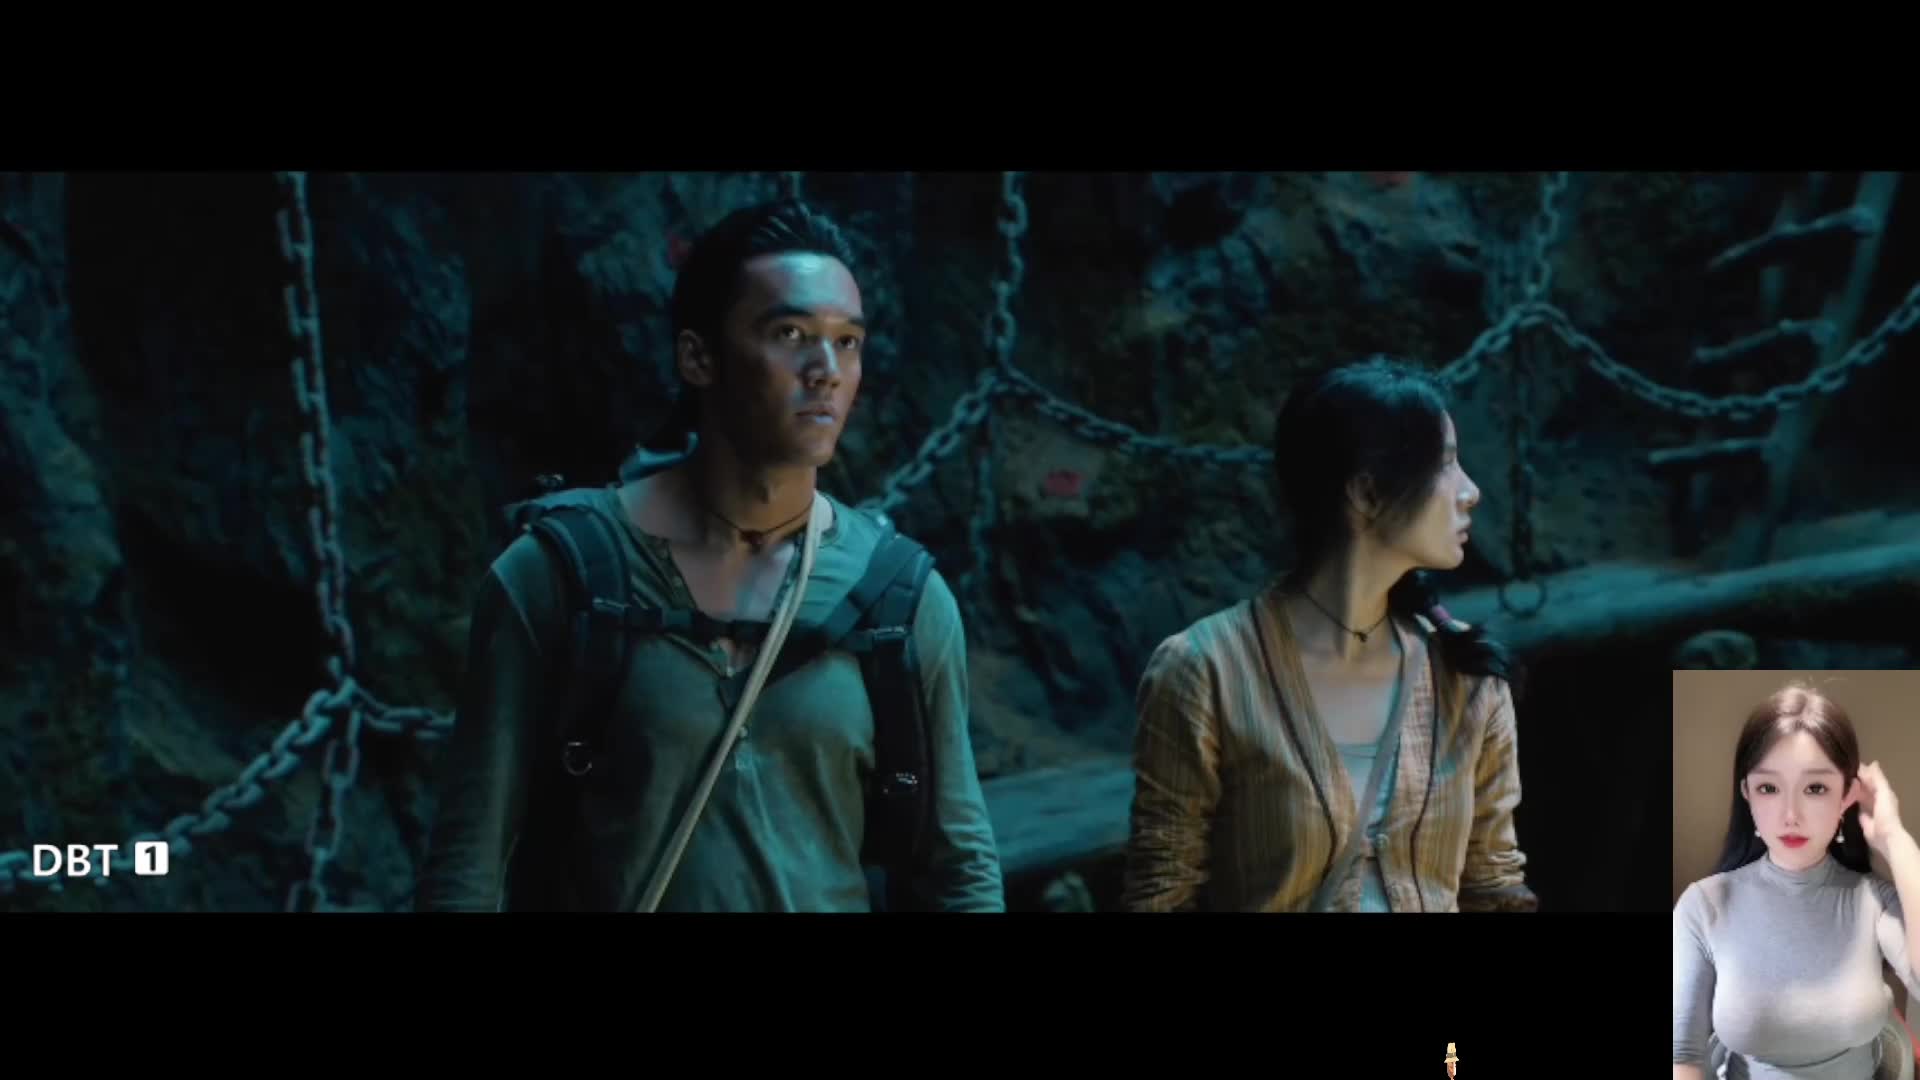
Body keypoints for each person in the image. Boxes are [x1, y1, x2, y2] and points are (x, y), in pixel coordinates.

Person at [416, 197, 1004, 912]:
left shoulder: (899, 601)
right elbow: (467, 866)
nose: (825, 369)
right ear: (698, 357)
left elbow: (960, 869)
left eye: (847, 341)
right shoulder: (560, 578)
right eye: (790, 334)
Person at [1120, 357, 1536, 913]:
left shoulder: (1465, 670)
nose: (1471, 491)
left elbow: (1494, 884)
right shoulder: (1205, 670)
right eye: (1445, 464)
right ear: (1366, 494)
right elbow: (1161, 895)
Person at [1671, 681, 1920, 1080]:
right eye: (1768, 788)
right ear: (1747, 793)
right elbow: (1683, 1055)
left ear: (1846, 795)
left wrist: (1895, 838)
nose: (1790, 815)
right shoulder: (1702, 906)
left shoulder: (1874, 901)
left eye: (1815, 788)